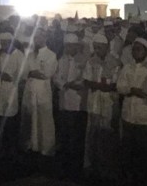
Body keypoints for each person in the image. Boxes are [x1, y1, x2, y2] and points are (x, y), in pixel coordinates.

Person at [117, 38, 147, 186]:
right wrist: (132, 90)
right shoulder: (127, 67)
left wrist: (135, 91)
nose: (136, 52)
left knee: (143, 152)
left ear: (146, 51)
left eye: (139, 49)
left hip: (145, 116)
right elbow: (120, 86)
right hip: (128, 115)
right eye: (134, 49)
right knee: (128, 150)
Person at [82, 32, 121, 182]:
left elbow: (115, 85)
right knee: (93, 135)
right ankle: (92, 166)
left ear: (106, 47)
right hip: (94, 103)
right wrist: (99, 85)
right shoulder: (91, 61)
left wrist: (101, 86)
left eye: (100, 48)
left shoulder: (115, 62)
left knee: (108, 136)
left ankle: (109, 168)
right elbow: (86, 81)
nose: (97, 50)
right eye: (95, 48)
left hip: (109, 104)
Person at [55, 32, 88, 182]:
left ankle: (76, 171)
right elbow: (57, 77)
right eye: (67, 46)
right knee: (65, 137)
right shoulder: (62, 59)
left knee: (76, 139)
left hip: (78, 104)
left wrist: (72, 84)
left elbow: (85, 80)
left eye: (71, 46)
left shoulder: (84, 60)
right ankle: (65, 169)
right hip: (64, 103)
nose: (69, 48)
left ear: (76, 46)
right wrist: (65, 84)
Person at [19, 27, 58, 157]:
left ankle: (46, 147)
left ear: (45, 38)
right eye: (36, 37)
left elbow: (46, 74)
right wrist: (32, 73)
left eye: (40, 37)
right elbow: (24, 73)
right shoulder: (30, 55)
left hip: (43, 92)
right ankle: (32, 145)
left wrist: (33, 73)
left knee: (44, 120)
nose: (37, 40)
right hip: (30, 91)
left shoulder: (51, 55)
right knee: (31, 119)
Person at [0, 31, 24, 162]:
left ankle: (11, 149)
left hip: (11, 89)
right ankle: (2, 147)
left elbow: (22, 73)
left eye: (5, 43)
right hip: (0, 89)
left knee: (10, 121)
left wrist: (10, 77)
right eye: (2, 43)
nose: (3, 45)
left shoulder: (19, 55)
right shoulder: (2, 54)